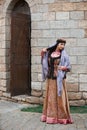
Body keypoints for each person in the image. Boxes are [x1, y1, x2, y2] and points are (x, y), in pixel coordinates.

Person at [40, 38, 73, 124]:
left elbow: (69, 67)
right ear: (57, 44)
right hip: (50, 78)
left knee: (60, 97)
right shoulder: (50, 53)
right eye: (61, 44)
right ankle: (50, 117)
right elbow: (44, 60)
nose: (62, 46)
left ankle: (62, 118)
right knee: (50, 97)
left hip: (60, 79)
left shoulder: (64, 55)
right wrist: (43, 52)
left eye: (63, 45)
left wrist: (63, 68)